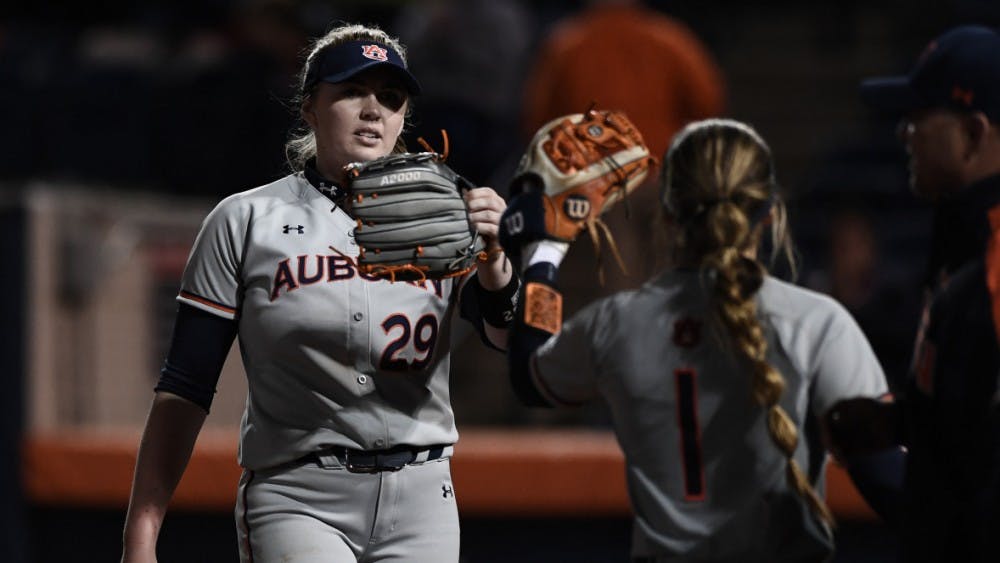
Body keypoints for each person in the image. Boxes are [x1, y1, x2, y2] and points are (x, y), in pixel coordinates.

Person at [120, 23, 517, 563]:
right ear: (309, 106)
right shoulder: (247, 220)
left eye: (390, 97)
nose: (373, 110)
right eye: (352, 91)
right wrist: (142, 531)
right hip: (300, 497)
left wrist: (497, 262)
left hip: (424, 499)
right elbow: (185, 387)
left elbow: (507, 337)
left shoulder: (446, 216)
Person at [500, 118, 895, 561]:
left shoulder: (616, 323)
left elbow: (529, 376)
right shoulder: (817, 322)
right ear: (771, 211)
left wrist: (544, 254)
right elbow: (885, 478)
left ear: (667, 214)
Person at [858, 24, 1000, 562]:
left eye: (920, 117)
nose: (904, 132)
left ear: (973, 134)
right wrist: (891, 429)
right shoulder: (962, 238)